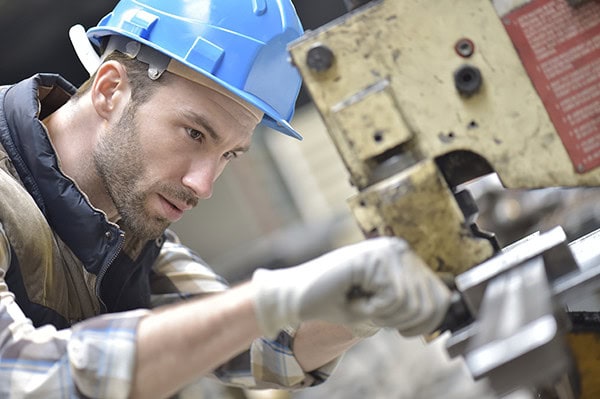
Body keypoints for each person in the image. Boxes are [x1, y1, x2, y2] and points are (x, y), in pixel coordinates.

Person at [0, 1, 451, 398]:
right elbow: (25, 377)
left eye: (228, 155)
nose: (203, 184)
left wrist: (359, 300)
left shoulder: (121, 233)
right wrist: (270, 299)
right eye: (195, 133)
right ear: (110, 90)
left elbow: (266, 349)